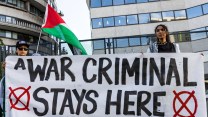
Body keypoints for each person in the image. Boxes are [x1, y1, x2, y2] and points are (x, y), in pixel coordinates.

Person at [0, 40, 29, 116]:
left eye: (25, 49)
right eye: (20, 48)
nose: (23, 51)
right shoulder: (10, 63)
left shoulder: (32, 63)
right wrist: (6, 70)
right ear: (16, 50)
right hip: (15, 101)